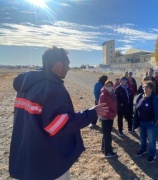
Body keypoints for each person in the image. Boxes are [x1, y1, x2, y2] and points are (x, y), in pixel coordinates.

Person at [9, 46, 108, 180]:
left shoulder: (26, 85)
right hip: (48, 162)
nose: (68, 67)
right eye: (67, 64)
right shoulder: (53, 88)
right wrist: (91, 113)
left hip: (27, 156)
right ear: (58, 65)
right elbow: (58, 126)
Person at [133, 81, 158, 163]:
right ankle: (143, 149)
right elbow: (137, 108)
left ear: (151, 89)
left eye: (147, 87)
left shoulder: (155, 98)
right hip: (141, 123)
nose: (144, 89)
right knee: (142, 138)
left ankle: (152, 155)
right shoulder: (140, 97)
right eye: (143, 87)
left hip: (150, 124)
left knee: (151, 141)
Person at [99, 80, 118, 158]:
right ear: (104, 86)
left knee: (106, 133)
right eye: (107, 86)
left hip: (111, 117)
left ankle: (104, 147)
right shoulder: (103, 95)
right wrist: (110, 113)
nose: (108, 87)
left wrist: (114, 113)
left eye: (110, 85)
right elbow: (102, 107)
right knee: (107, 135)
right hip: (106, 117)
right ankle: (108, 152)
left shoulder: (112, 94)